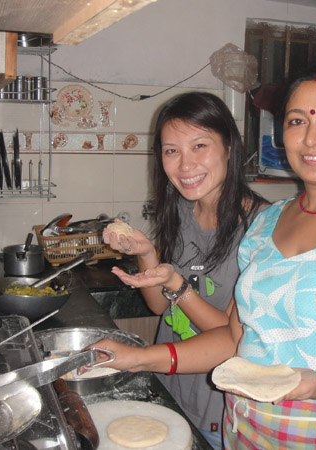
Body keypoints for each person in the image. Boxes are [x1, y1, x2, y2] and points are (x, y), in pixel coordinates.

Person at [87, 61, 316, 449]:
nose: (311, 138)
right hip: (243, 434)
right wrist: (138, 358)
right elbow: (235, 341)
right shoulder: (268, 225)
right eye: (297, 121)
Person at [103, 91, 267, 449]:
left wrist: (177, 285)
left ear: (229, 148)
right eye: (171, 151)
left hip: (217, 403)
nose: (185, 165)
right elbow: (159, 306)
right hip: (170, 384)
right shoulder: (180, 209)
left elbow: (231, 336)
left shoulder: (263, 229)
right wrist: (147, 254)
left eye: (199, 146)